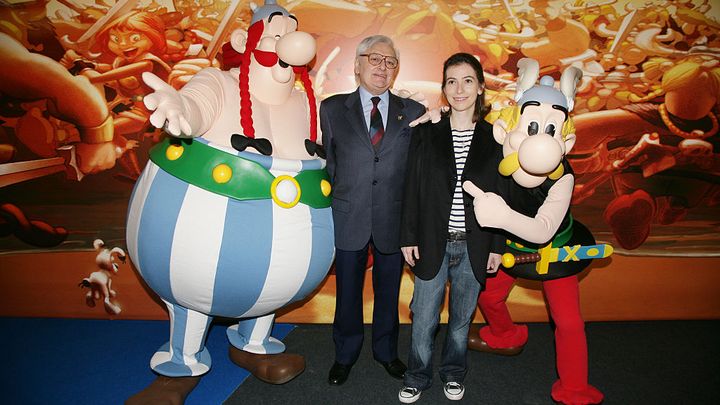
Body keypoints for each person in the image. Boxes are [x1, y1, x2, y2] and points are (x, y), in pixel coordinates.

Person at [397, 52, 505, 403]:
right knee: (424, 317)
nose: (459, 89)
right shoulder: (427, 132)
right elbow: (411, 187)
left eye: (468, 80)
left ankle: (454, 372)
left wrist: (497, 246)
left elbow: (502, 198)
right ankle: (417, 376)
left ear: (481, 86)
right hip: (431, 241)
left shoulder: (495, 138)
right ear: (444, 88)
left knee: (461, 320)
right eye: (451, 81)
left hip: (475, 244)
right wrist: (408, 236)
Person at [320, 35, 426, 386]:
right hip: (348, 216)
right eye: (375, 59)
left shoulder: (413, 112)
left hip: (393, 220)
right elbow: (330, 165)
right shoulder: (333, 108)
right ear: (357, 64)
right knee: (347, 293)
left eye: (390, 61)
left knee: (388, 293)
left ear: (396, 70)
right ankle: (344, 355)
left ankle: (386, 352)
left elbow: (418, 171)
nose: (382, 67)